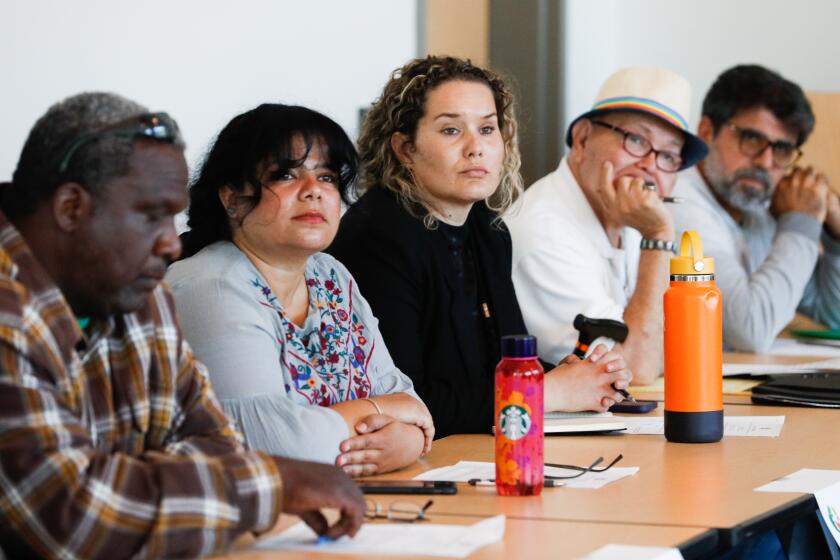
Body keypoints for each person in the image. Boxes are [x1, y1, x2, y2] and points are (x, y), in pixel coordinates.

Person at [0, 93, 364, 559]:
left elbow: (216, 443)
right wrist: (266, 487)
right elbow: (74, 517)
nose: (172, 244)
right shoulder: (12, 311)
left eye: (172, 217)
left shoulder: (135, 292)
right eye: (152, 216)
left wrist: (150, 488)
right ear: (72, 208)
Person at [328, 56, 632, 439]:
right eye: (452, 130)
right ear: (405, 148)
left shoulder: (487, 230)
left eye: (488, 129)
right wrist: (544, 391)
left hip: (478, 454)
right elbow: (408, 400)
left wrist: (576, 375)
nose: (476, 148)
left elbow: (501, 364)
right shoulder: (377, 236)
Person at [166, 104, 433, 478]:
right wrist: (378, 413)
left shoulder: (330, 276)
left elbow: (407, 400)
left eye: (327, 177)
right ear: (231, 198)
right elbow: (275, 450)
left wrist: (407, 441)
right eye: (286, 175)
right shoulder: (209, 287)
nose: (313, 192)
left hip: (333, 507)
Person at [506, 67, 709, 385]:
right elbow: (636, 368)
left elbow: (678, 348)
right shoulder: (543, 231)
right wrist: (657, 238)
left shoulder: (625, 216)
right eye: (637, 140)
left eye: (669, 156)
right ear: (582, 139)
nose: (650, 166)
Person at [669, 64, 840, 352]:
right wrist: (801, 222)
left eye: (782, 149)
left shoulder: (757, 208)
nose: (765, 162)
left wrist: (834, 237)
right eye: (751, 139)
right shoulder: (678, 202)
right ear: (706, 131)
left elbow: (831, 315)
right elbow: (750, 330)